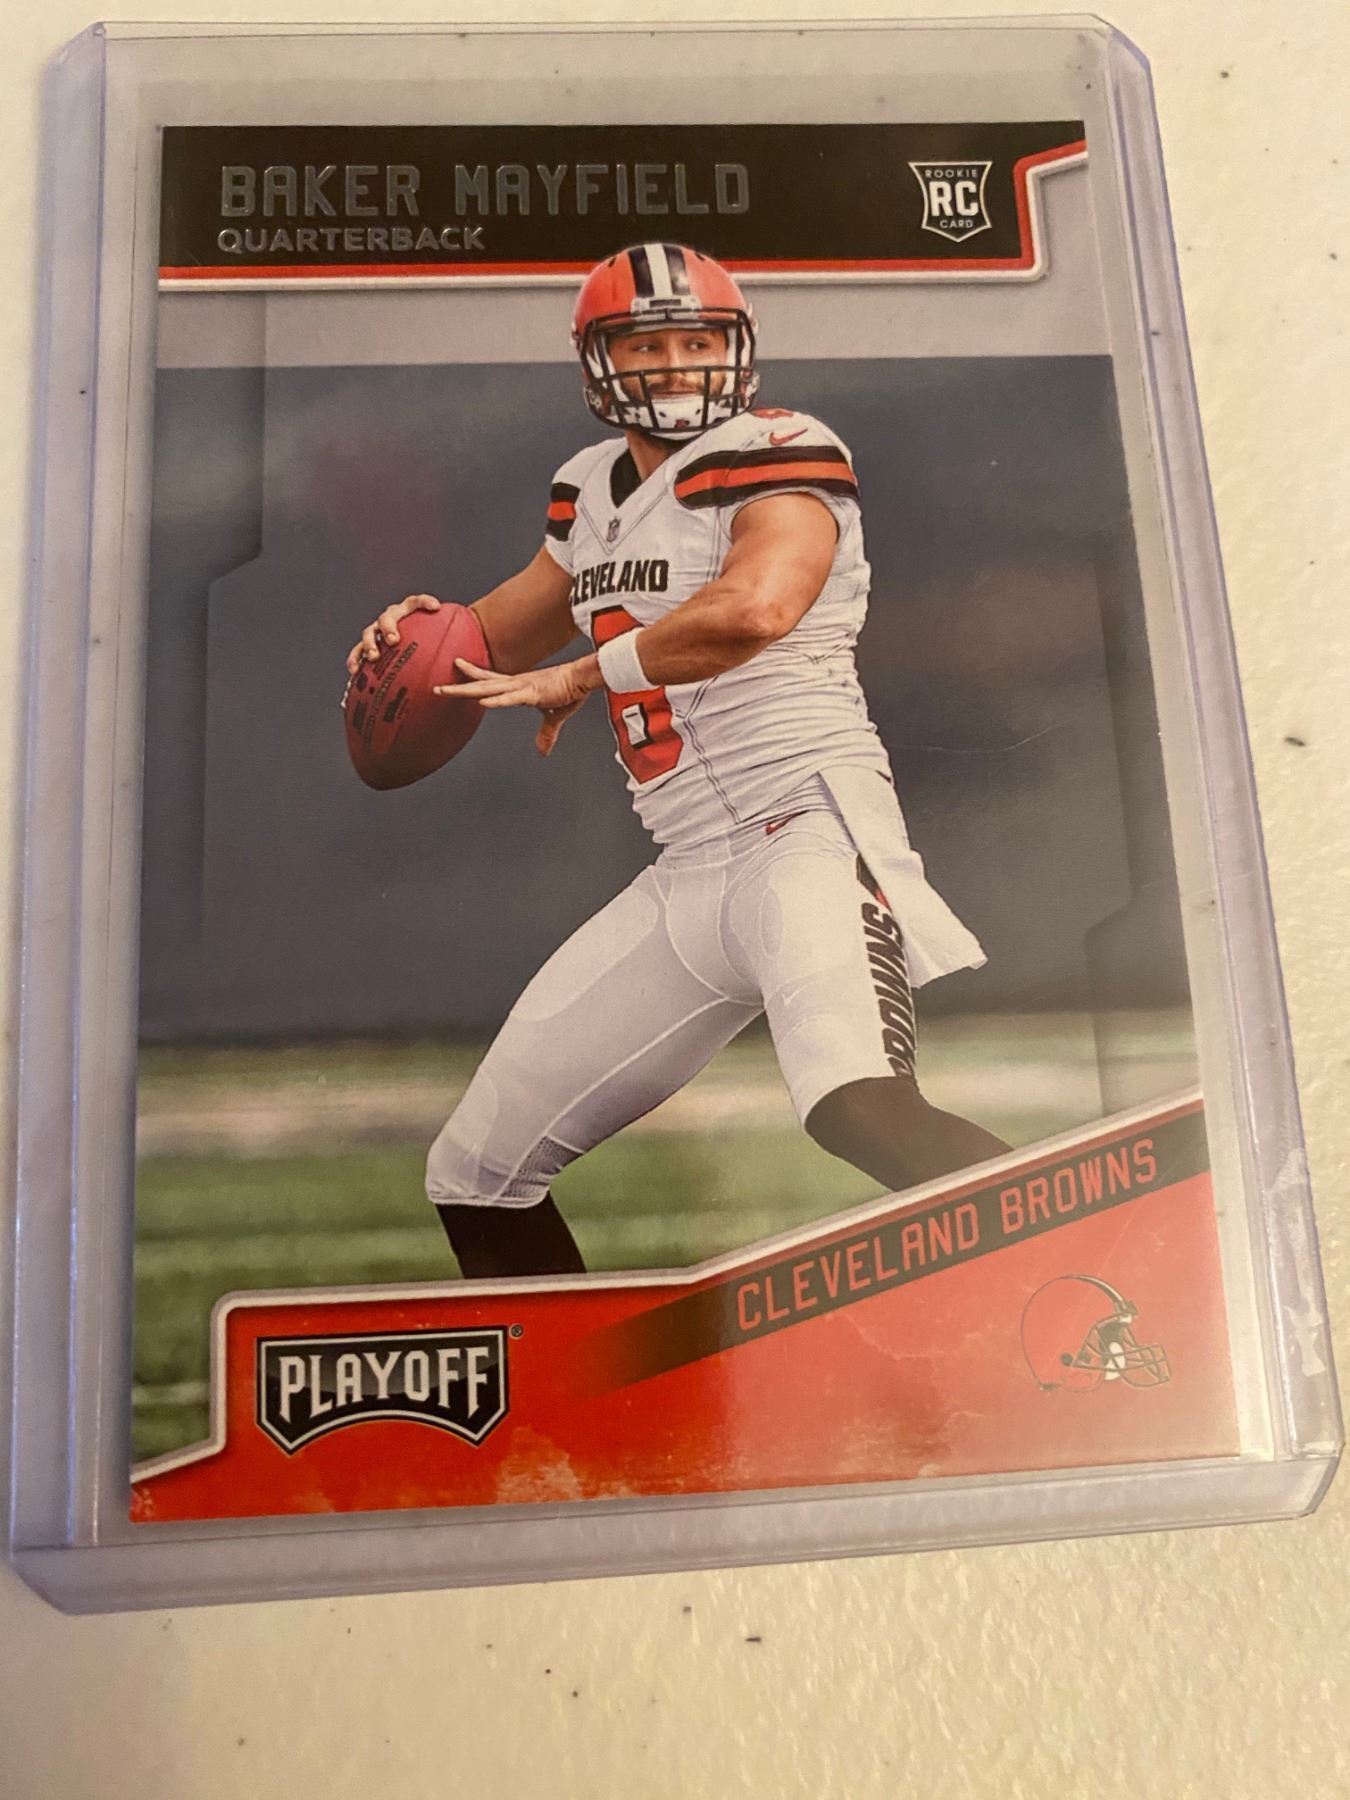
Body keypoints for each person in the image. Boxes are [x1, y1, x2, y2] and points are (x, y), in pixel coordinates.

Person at [346, 241, 1007, 1279]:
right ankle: (571, 1391)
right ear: (598, 362)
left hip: (806, 832)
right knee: (475, 1169)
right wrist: (414, 635)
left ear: (736, 348)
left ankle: (1110, 1296)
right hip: (690, 868)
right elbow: (495, 641)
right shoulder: (588, 489)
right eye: (647, 346)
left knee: (859, 1108)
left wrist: (583, 674)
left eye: (697, 341)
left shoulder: (781, 449)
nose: (676, 365)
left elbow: (756, 609)